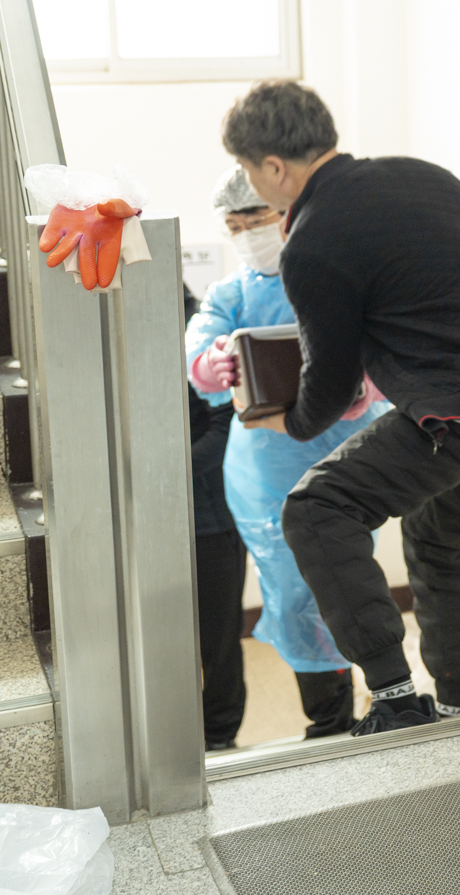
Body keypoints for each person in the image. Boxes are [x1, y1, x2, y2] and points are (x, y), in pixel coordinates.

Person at [222, 80, 460, 735]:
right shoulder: (422, 173)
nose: (252, 183)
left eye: (248, 169)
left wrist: (287, 421)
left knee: (316, 508)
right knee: (438, 539)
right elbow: (445, 289)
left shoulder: (313, 239)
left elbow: (328, 385)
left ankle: (396, 700)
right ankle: (457, 709)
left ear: (274, 167)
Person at [187, 170, 394, 740]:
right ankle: (329, 719)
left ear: (285, 211)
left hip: (348, 448)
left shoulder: (335, 272)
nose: (248, 232)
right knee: (292, 589)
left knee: (342, 576)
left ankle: (376, 696)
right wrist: (209, 364)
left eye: (256, 218)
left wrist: (368, 383)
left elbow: (386, 337)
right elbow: (200, 340)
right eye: (235, 225)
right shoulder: (232, 294)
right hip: (267, 465)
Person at [186, 287, 247, 751]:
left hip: (211, 518)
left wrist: (166, 473)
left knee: (219, 639)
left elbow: (228, 424)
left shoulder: (202, 333)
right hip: (149, 520)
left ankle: (220, 736)